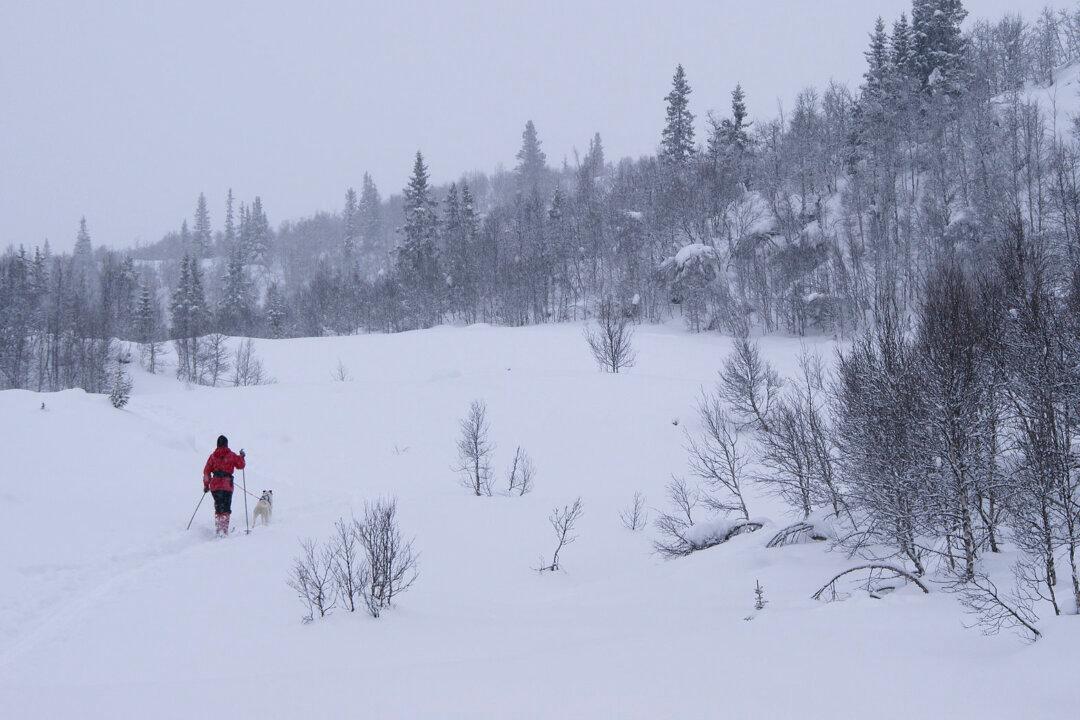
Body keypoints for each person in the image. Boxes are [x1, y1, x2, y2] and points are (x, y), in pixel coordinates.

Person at [203, 435, 246, 536]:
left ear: (217, 444)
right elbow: (241, 465)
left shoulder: (213, 457)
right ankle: (224, 530)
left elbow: (206, 472)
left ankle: (219, 529)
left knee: (218, 507)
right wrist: (242, 457)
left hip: (215, 486)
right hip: (227, 485)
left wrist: (206, 485)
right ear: (226, 444)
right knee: (226, 507)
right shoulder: (231, 455)